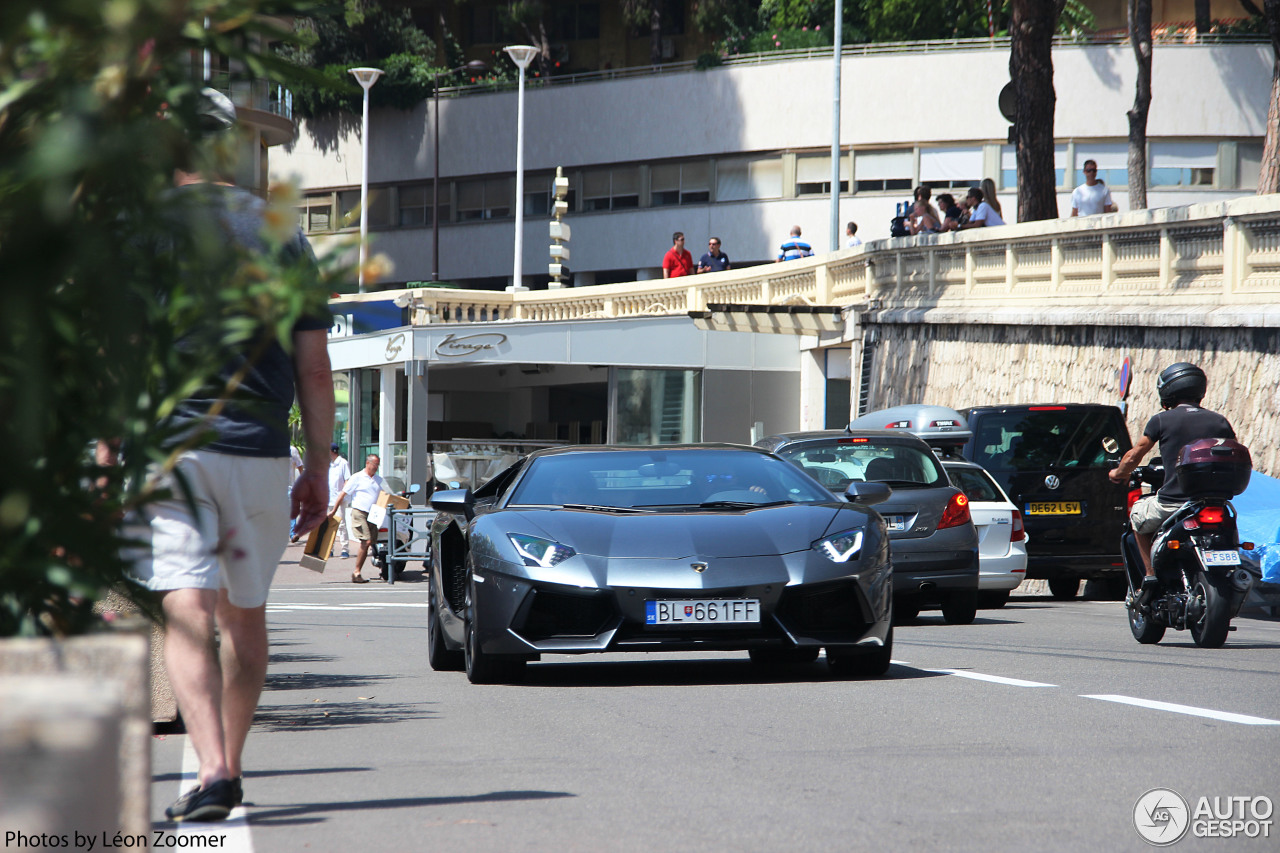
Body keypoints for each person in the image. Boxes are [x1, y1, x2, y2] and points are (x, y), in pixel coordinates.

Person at [125, 89, 334, 823]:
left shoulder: (141, 230)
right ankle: (228, 766)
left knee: (183, 598)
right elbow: (314, 368)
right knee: (245, 617)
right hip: (260, 449)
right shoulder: (282, 233)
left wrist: (103, 450)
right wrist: (317, 464)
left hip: (176, 444)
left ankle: (212, 768)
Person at [1108, 363, 1236, 604]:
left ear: (1167, 391)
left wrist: (1118, 473)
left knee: (1137, 517)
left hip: (1174, 503)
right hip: (1212, 502)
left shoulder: (1161, 420)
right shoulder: (1220, 421)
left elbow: (1134, 455)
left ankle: (1150, 575)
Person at [330, 453, 388, 583]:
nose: (376, 468)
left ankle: (381, 566)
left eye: (378, 465)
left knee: (373, 542)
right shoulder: (357, 477)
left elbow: (386, 495)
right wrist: (334, 510)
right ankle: (356, 572)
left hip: (373, 514)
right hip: (359, 512)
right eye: (374, 465)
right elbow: (342, 494)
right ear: (367, 463)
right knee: (366, 541)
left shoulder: (378, 480)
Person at [328, 443, 351, 559]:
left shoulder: (343, 463)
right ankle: (329, 549)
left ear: (332, 451)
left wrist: (343, 495)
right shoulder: (329, 465)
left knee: (341, 524)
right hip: (329, 499)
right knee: (329, 524)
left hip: (339, 499)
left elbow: (347, 481)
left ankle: (344, 549)